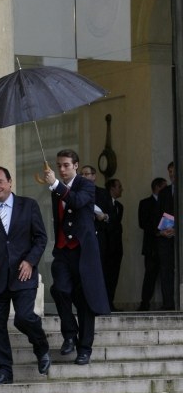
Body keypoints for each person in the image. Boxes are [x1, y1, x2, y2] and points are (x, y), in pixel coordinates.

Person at [0, 166, 50, 385]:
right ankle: (4, 371)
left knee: (24, 317)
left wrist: (30, 261)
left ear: (10, 181)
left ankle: (41, 347)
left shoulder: (29, 205)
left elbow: (41, 238)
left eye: (0, 182)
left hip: (23, 275)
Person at [44, 150, 109, 366]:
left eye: (65, 165)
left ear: (76, 166)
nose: (61, 170)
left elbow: (77, 201)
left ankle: (84, 349)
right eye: (59, 165)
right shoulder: (56, 189)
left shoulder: (86, 185)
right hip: (63, 250)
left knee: (85, 300)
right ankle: (70, 334)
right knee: (60, 289)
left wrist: (56, 185)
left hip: (84, 251)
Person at [137, 177, 167, 311]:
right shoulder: (145, 203)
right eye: (164, 187)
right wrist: (157, 231)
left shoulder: (167, 202)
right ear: (157, 188)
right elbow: (143, 223)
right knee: (150, 275)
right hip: (151, 246)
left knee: (166, 275)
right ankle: (145, 303)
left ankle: (168, 303)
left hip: (166, 244)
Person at [80, 165, 109, 267]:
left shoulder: (103, 193)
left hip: (98, 234)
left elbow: (112, 214)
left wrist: (105, 216)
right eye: (81, 174)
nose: (83, 176)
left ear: (94, 176)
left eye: (86, 174)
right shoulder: (76, 193)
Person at [103, 178, 124, 312]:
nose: (121, 189)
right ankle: (104, 304)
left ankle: (110, 303)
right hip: (105, 247)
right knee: (105, 276)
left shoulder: (119, 206)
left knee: (114, 277)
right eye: (119, 186)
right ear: (112, 189)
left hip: (116, 247)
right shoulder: (103, 204)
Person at [157, 162, 175, 310]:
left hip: (178, 237)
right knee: (166, 272)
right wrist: (160, 231)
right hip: (165, 239)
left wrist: (177, 230)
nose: (171, 174)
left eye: (174, 171)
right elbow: (157, 215)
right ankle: (168, 304)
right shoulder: (164, 192)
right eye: (169, 171)